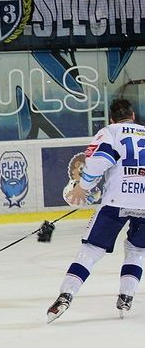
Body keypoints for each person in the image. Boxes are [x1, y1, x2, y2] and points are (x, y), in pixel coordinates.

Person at [47, 99, 145, 322]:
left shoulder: (110, 131)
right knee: (137, 250)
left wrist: (83, 188)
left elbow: (99, 161)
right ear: (133, 116)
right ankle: (126, 297)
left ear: (111, 118)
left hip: (116, 200)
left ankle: (66, 295)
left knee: (91, 250)